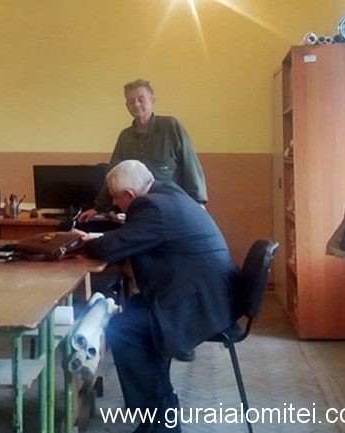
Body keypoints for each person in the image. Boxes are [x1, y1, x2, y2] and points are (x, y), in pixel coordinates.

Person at [74, 160, 238, 433]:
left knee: (123, 330)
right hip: (207, 294)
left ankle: (161, 423)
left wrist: (87, 242)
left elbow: (113, 247)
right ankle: (161, 415)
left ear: (130, 195)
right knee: (134, 313)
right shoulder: (166, 192)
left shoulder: (151, 207)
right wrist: (101, 240)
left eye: (115, 198)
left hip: (199, 304)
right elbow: (131, 237)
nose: (114, 204)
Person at [78, 79, 207, 224]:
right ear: (127, 106)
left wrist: (198, 202)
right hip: (140, 210)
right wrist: (99, 208)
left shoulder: (171, 126)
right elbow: (114, 174)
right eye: (131, 101)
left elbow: (190, 164)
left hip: (172, 208)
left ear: (152, 101)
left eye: (141, 99)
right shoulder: (125, 137)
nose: (136, 104)